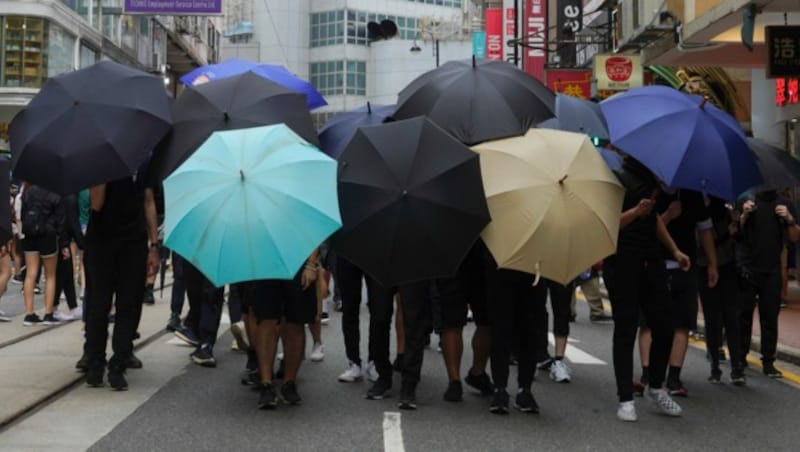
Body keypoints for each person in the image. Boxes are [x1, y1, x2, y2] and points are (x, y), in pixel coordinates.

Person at [604, 156, 689, 422]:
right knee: (626, 328)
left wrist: (674, 250)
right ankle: (625, 399)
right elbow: (609, 223)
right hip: (622, 261)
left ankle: (655, 386)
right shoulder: (617, 179)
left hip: (651, 260)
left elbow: (654, 220)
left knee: (664, 325)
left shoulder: (653, 180)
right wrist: (634, 213)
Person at [83, 169, 160, 390]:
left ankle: (119, 363)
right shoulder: (99, 161)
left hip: (133, 241)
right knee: (99, 304)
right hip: (101, 242)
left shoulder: (143, 159)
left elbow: (148, 201)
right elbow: (96, 204)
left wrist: (154, 245)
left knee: (130, 303)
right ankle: (95, 362)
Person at [735, 189, 800, 379]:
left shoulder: (785, 204)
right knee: (744, 315)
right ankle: (740, 356)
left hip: (772, 268)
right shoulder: (746, 199)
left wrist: (789, 219)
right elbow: (735, 232)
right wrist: (745, 215)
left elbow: (795, 236)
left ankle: (769, 361)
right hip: (748, 267)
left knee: (770, 316)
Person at [251, 250, 319, 409]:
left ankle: (290, 382)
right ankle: (266, 383)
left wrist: (311, 264)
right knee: (266, 320)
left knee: (295, 323)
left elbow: (314, 231)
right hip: (265, 263)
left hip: (299, 261)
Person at [698, 197, 745, 385]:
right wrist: (728, 233)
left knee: (731, 317)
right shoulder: (699, 209)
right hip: (705, 267)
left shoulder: (726, 210)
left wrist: (737, 223)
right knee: (712, 318)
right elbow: (702, 241)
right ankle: (715, 365)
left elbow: (738, 240)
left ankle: (736, 367)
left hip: (727, 267)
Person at [20, 183, 63, 326]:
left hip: (30, 233)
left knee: (30, 274)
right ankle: (48, 313)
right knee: (50, 275)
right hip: (48, 235)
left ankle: (29, 313)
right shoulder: (54, 192)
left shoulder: (28, 191)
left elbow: (22, 213)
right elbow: (60, 219)